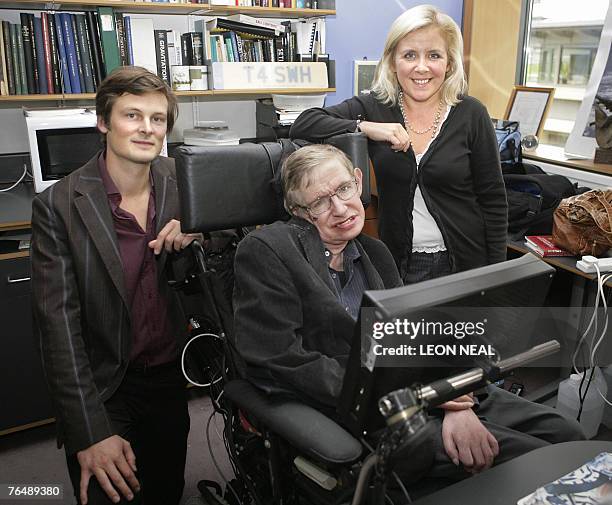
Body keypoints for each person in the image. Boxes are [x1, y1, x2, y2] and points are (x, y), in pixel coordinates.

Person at [233, 144, 584, 493]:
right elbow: (283, 358)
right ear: (298, 210)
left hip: (420, 388)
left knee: (567, 436)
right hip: (356, 406)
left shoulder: (376, 253)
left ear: (357, 181)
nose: (340, 208)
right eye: (320, 202)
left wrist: (455, 398)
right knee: (535, 462)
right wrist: (425, 395)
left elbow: (418, 334)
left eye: (342, 189)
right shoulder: (269, 250)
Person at [31, 66, 199, 505]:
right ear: (104, 122)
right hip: (103, 387)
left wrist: (200, 233)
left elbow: (223, 255)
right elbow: (58, 333)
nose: (147, 128)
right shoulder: (58, 206)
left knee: (165, 491)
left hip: (166, 380)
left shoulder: (184, 183)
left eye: (158, 119)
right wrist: (89, 431)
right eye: (132, 115)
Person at [290, 5, 508, 284]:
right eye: (409, 55)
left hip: (466, 263)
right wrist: (365, 127)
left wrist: (498, 276)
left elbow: (493, 200)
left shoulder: (471, 113)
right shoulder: (373, 107)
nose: (421, 67)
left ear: (449, 63)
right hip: (400, 263)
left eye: (434, 55)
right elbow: (305, 123)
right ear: (393, 61)